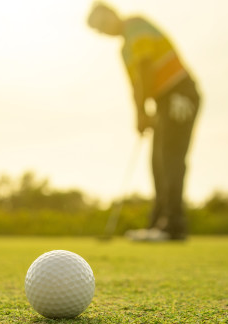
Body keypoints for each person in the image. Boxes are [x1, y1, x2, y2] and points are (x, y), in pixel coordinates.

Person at [87, 2, 201, 241]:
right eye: (97, 30)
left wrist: (141, 112)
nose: (103, 30)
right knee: (157, 161)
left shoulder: (136, 25)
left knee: (170, 157)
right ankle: (158, 224)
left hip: (180, 93)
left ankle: (173, 225)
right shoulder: (123, 49)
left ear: (112, 12)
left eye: (101, 22)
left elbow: (146, 68)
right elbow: (136, 86)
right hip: (162, 102)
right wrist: (140, 113)